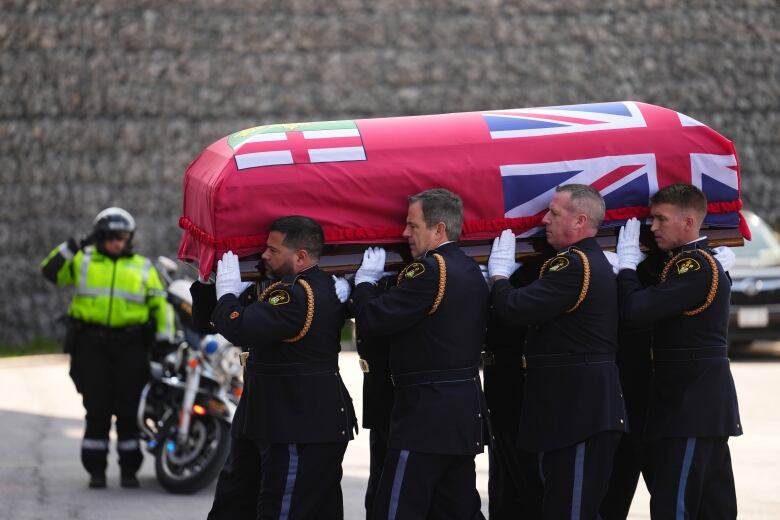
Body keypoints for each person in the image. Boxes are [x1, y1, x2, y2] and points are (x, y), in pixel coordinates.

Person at [190, 215, 357, 519]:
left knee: (284, 509)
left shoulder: (297, 294)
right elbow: (207, 322)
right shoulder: (279, 285)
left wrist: (227, 294)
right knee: (235, 502)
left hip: (298, 422)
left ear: (301, 257)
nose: (264, 255)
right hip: (267, 414)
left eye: (273, 250)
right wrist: (208, 282)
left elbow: (238, 326)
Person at [349, 188, 491, 519]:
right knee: (457, 510)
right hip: (461, 414)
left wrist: (365, 283)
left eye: (413, 226)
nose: (404, 233)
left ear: (439, 229)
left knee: (396, 510)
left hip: (425, 418)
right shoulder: (469, 268)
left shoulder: (430, 270)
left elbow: (372, 319)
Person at [487, 184, 627, 519]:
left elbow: (514, 310)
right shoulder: (583, 262)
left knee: (571, 510)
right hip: (572, 412)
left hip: (580, 414)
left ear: (580, 221)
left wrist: (500, 276)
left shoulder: (574, 265)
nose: (544, 219)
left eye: (554, 213)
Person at [614, 183, 742, 519]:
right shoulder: (692, 263)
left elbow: (636, 311)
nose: (652, 226)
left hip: (689, 409)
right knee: (713, 508)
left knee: (677, 507)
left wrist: (626, 266)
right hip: (700, 408)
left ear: (688, 223)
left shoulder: (694, 266)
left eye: (660, 219)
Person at [41, 207, 174, 489]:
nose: (118, 242)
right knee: (97, 410)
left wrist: (164, 340)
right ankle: (96, 472)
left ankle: (129, 472)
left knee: (128, 412)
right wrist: (72, 246)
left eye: (123, 237)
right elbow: (50, 271)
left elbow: (159, 305)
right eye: (112, 236)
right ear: (99, 236)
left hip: (131, 346)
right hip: (91, 346)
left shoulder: (142, 267)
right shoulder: (84, 260)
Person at [482, 260, 546, 519]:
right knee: (503, 484)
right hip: (498, 375)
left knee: (531, 481)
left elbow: (516, 307)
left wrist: (499, 276)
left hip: (526, 379)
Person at [353, 273, 397, 519]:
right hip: (379, 390)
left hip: (398, 392)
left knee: (391, 487)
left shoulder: (418, 274)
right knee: (379, 486)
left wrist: (364, 285)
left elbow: (375, 317)